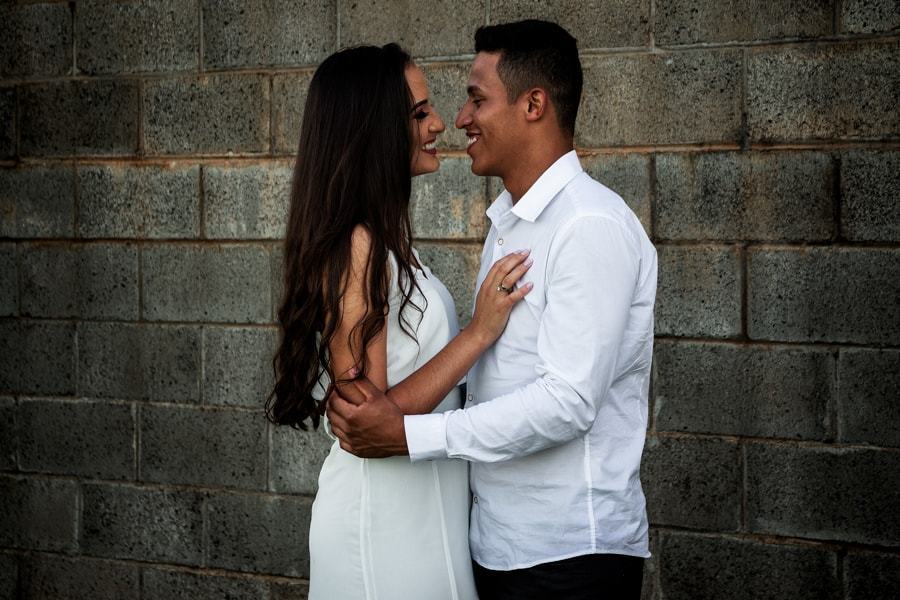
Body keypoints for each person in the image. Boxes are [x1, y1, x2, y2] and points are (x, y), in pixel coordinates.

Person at [327, 21, 658, 599]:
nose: (458, 120)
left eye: (477, 99)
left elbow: (568, 403)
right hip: (494, 547)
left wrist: (415, 435)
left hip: (567, 555)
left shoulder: (588, 225)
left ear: (534, 105)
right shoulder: (510, 223)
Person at [267, 43, 534, 600]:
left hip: (427, 509)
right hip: (382, 522)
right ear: (373, 130)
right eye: (418, 113)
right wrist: (478, 334)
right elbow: (367, 416)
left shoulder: (388, 243)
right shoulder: (358, 244)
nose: (439, 123)